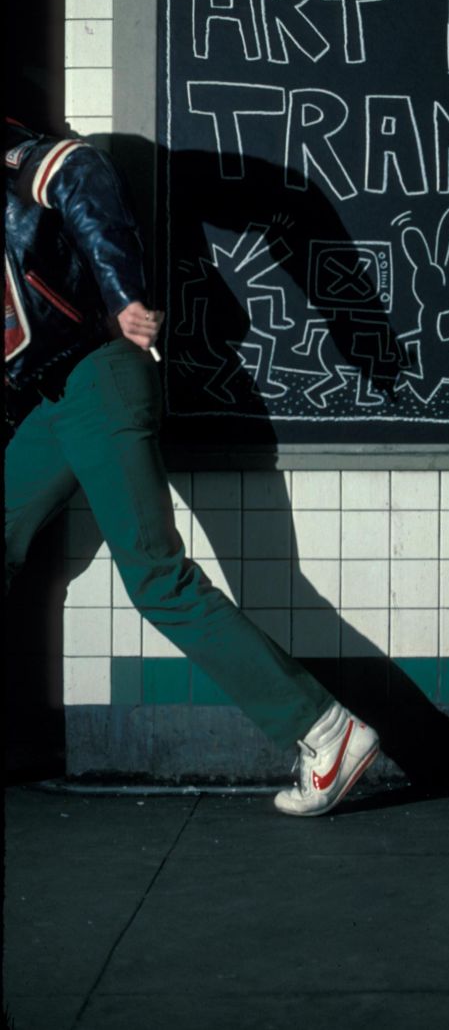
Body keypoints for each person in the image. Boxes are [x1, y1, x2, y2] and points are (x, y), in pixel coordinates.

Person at [4, 115, 377, 815]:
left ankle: (325, 728)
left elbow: (81, 175)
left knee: (157, 578)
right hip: (54, 396)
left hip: (97, 378)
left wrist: (124, 295)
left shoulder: (16, 155)